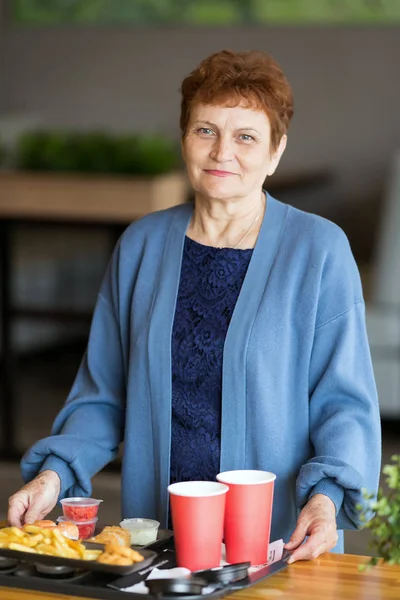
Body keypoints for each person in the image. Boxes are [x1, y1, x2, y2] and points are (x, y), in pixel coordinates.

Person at [8, 49, 381, 563]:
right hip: (158, 545)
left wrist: (324, 501)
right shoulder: (140, 244)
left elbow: (344, 403)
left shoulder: (318, 250)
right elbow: (102, 395)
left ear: (276, 152)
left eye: (246, 136)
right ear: (184, 139)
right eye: (206, 130)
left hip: (278, 547)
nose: (222, 151)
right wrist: (52, 478)